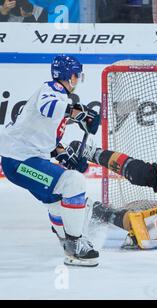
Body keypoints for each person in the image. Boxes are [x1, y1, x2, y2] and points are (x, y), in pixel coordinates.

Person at [0, 55, 101, 266]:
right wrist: (79, 113)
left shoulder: (59, 96)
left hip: (22, 161)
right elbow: (48, 107)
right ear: (68, 75)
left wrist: (64, 155)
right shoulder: (52, 89)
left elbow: (48, 140)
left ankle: (67, 240)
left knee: (57, 202)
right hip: (20, 163)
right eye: (76, 75)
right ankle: (75, 245)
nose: (78, 79)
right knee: (73, 183)